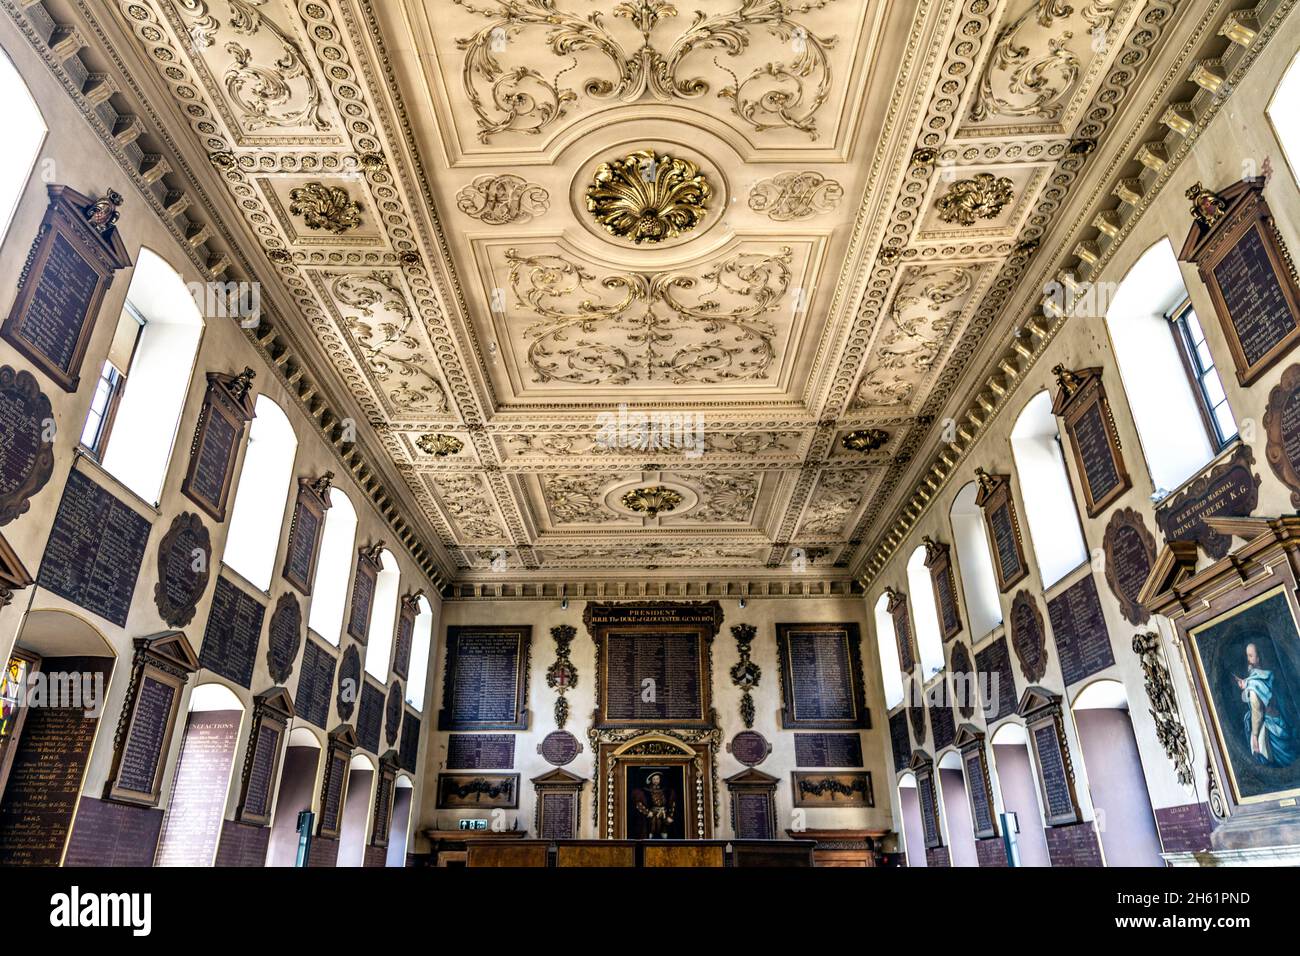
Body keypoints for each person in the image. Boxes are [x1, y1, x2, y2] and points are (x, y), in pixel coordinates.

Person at [1236, 641, 1295, 767]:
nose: (1248, 660)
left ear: (1258, 658)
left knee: (1264, 756)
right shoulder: (1268, 675)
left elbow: (1257, 713)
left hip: (1268, 727)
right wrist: (1246, 684)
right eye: (1247, 655)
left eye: (1251, 656)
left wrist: (1255, 737)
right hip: (1278, 718)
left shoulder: (1253, 684)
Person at [633, 771, 676, 839]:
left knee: (664, 830)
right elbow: (639, 804)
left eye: (657, 779)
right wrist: (647, 812)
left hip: (664, 814)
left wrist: (670, 816)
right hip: (652, 814)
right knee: (651, 829)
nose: (656, 781)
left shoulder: (666, 791)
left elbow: (672, 804)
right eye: (654, 779)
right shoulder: (645, 791)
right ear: (651, 780)